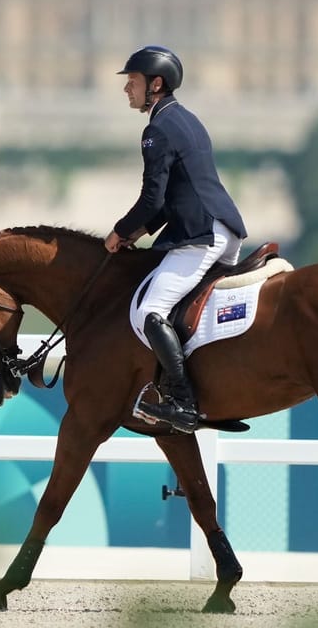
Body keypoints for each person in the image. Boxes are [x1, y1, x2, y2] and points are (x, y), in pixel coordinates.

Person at [105, 45, 248, 433]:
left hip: (200, 234)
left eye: (132, 82)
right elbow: (172, 197)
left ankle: (183, 402)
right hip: (222, 227)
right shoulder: (186, 119)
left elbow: (153, 198)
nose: (126, 89)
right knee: (186, 315)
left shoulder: (157, 130)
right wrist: (137, 232)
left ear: (155, 84)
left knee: (147, 312)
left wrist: (119, 232)